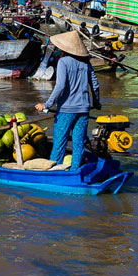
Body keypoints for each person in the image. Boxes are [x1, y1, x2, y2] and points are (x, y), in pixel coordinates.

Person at [35, 31, 101, 172]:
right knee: (78, 144)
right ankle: (75, 171)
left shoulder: (63, 62)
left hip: (66, 110)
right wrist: (96, 102)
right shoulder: (86, 64)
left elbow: (60, 86)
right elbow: (95, 85)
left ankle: (53, 172)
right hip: (83, 110)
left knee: (59, 143)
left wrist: (46, 105)